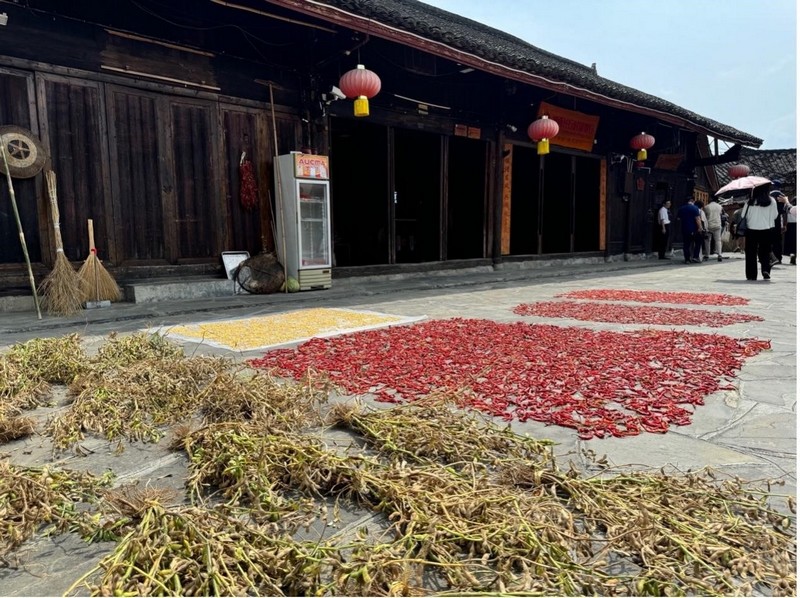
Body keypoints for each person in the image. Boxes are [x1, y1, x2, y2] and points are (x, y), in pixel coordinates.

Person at [742, 185, 779, 280]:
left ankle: (751, 275)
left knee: (751, 252)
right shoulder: (772, 201)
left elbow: (743, 215)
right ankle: (765, 270)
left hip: (751, 229)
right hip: (767, 229)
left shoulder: (750, 201)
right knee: (765, 251)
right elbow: (775, 215)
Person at [676, 196, 703, 264]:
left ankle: (687, 259)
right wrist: (700, 227)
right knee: (698, 243)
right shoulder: (695, 208)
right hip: (694, 229)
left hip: (685, 228)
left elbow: (678, 219)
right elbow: (697, 219)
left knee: (686, 244)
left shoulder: (681, 208)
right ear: (692, 201)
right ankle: (695, 256)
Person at [703, 197, 724, 262]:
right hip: (717, 225)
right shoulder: (720, 207)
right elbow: (720, 214)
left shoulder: (707, 207)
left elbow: (705, 216)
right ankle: (719, 254)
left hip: (709, 225)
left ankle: (707, 255)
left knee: (707, 241)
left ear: (710, 199)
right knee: (718, 240)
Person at [769, 190, 787, 265]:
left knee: (769, 241)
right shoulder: (781, 196)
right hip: (778, 222)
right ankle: (778, 258)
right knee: (777, 240)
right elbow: (784, 213)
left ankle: (770, 258)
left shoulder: (769, 197)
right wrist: (785, 225)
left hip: (769, 221)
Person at [785, 197, 797, 265]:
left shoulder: (789, 209)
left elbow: (785, 216)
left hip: (790, 225)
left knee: (791, 242)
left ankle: (792, 254)